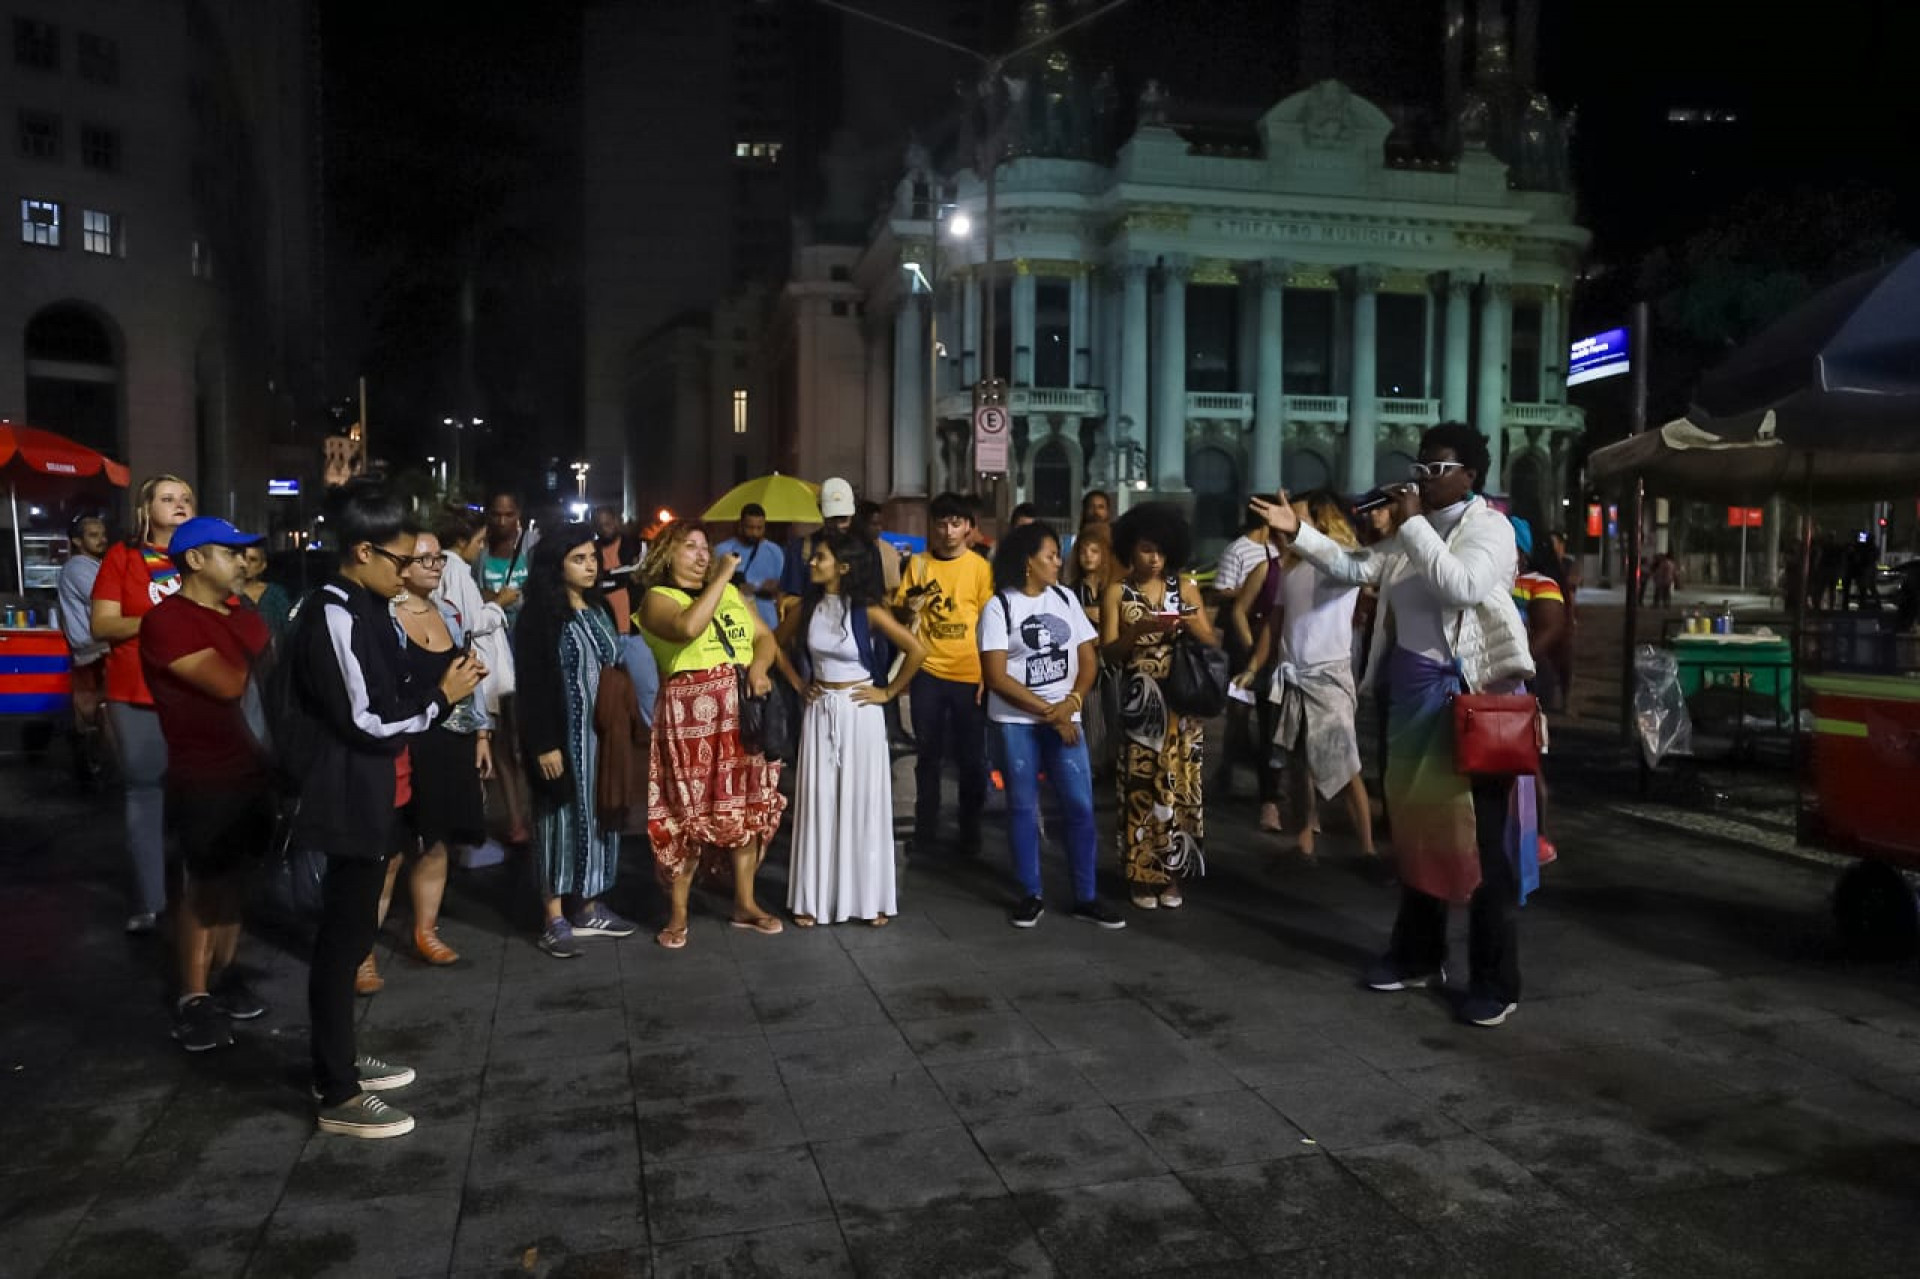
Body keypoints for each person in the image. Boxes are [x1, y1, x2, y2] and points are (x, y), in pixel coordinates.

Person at [1251, 422, 1538, 1028]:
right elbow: (1357, 566)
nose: (1424, 477)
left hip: (1468, 705)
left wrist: (1409, 524)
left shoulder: (1490, 529)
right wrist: (1297, 531)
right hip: (1410, 702)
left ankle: (1495, 979)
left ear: (1471, 475)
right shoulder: (1416, 533)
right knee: (1417, 834)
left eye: (1438, 468)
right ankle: (1417, 955)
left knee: (1482, 845)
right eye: (1421, 466)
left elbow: (1461, 587)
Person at [285, 479, 484, 1138]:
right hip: (350, 797)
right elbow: (364, 719)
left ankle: (339, 1058)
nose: (409, 571)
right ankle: (337, 1090)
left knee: (351, 940)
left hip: (383, 791)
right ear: (363, 550)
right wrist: (444, 699)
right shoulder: (332, 612)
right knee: (341, 941)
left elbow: (393, 688)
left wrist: (444, 683)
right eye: (400, 559)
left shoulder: (372, 603)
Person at [140, 516, 273, 1051]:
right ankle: (192, 995)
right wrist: (268, 658)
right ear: (195, 560)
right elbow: (232, 682)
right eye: (231, 552)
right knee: (201, 885)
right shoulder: (168, 621)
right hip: (205, 775)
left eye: (244, 553)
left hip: (255, 771)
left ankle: (224, 972)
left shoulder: (242, 613)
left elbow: (264, 670)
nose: (243, 561)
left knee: (235, 880)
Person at [638, 521, 787, 949]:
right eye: (691, 548)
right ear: (667, 555)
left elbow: (765, 638)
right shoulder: (657, 599)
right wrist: (722, 577)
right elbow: (686, 628)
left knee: (745, 807)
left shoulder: (735, 597)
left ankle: (745, 901)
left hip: (741, 715)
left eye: (706, 548)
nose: (703, 555)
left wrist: (759, 668)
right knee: (687, 813)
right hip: (690, 721)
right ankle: (679, 911)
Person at [359, 529, 494, 981]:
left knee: (436, 843)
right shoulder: (383, 619)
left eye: (439, 558)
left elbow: (466, 677)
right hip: (403, 741)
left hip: (449, 742)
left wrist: (481, 736)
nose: (435, 566)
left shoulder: (451, 614)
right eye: (423, 559)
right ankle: (360, 952)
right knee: (390, 853)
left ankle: (426, 930)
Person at [981, 522, 1124, 930]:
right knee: (1023, 806)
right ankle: (1030, 892)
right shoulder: (999, 607)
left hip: (1065, 716)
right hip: (1016, 723)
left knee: (1079, 806)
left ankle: (1086, 895)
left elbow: (1089, 659)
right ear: (1029, 562)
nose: (1059, 562)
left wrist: (1073, 703)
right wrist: (1052, 713)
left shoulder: (1064, 599)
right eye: (1050, 555)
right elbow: (996, 677)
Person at [778, 532, 926, 927]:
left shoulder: (868, 610)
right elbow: (774, 645)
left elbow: (917, 650)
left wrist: (888, 692)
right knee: (819, 802)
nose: (811, 563)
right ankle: (813, 898)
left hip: (861, 711)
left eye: (820, 558)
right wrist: (797, 683)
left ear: (843, 567)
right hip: (819, 710)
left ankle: (870, 899)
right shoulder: (806, 607)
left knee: (864, 802)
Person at [518, 526, 636, 958]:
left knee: (598, 815)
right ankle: (553, 917)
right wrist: (543, 743)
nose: (590, 567)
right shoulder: (539, 616)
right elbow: (531, 684)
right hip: (562, 737)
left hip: (601, 737)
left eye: (592, 558)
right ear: (556, 565)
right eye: (579, 559)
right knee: (559, 819)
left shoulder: (599, 606)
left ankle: (587, 906)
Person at [1239, 492, 1374, 861]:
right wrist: (1254, 666)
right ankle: (1304, 839)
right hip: (1294, 676)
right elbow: (1276, 622)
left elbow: (1352, 568)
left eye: (1295, 517)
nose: (1284, 525)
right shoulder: (1290, 569)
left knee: (1343, 765)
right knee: (1300, 766)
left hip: (1327, 676)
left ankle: (1367, 850)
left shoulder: (1339, 563)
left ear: (1322, 521)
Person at [92, 474, 196, 933]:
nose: (180, 505)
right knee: (145, 793)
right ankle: (151, 901)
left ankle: (200, 900)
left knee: (201, 796)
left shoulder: (202, 557)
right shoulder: (123, 557)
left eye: (187, 499)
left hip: (196, 694)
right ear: (145, 509)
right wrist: (160, 618)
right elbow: (103, 625)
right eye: (169, 498)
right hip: (135, 694)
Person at [1101, 504, 1217, 909]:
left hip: (1181, 706)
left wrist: (1186, 621)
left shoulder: (1183, 587)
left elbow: (1210, 640)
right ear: (1130, 549)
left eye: (1161, 552)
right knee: (1140, 788)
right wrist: (1137, 631)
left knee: (1180, 790)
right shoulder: (1117, 592)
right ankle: (1140, 874)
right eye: (1147, 550)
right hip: (1139, 706)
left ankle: (1172, 874)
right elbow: (1110, 654)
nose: (1154, 559)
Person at [895, 492, 996, 858]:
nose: (949, 531)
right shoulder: (918, 565)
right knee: (928, 756)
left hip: (969, 672)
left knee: (971, 759)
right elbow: (904, 618)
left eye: (956, 523)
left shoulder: (980, 568)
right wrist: (910, 608)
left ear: (969, 528)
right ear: (933, 527)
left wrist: (989, 673)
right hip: (928, 672)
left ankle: (970, 834)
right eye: (942, 523)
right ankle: (925, 832)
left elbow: (990, 623)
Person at [478, 491, 535, 845]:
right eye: (495, 514)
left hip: (526, 652)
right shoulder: (478, 552)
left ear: (519, 515)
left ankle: (534, 815)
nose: (501, 521)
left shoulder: (531, 546)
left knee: (527, 740)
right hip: (494, 655)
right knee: (500, 739)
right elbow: (468, 598)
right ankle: (515, 819)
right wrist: (494, 600)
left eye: (508, 514)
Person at [1210, 511, 1276, 797]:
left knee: (1268, 712)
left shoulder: (1275, 550)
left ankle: (1266, 782)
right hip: (1241, 638)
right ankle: (1226, 771)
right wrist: (1249, 591)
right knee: (1239, 707)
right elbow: (1219, 591)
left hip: (1270, 633)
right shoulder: (1237, 549)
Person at [852, 499, 912, 749]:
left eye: (880, 523)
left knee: (884, 677)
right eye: (872, 523)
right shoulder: (857, 551)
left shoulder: (882, 550)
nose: (877, 528)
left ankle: (892, 729)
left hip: (882, 621)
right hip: (864, 621)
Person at [58, 513, 110, 785]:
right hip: (92, 650)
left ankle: (93, 764)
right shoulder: (79, 567)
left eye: (102, 533)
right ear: (77, 541)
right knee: (93, 712)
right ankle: (91, 766)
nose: (102, 539)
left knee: (97, 711)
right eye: (93, 535)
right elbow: (105, 600)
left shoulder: (94, 565)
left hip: (97, 648)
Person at [779, 477, 856, 604]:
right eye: (832, 519)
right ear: (820, 510)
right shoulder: (800, 549)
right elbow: (787, 600)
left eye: (842, 519)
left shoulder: (866, 550)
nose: (837, 526)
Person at [714, 502, 785, 631]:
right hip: (733, 622)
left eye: (759, 528)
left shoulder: (775, 552)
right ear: (740, 525)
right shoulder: (722, 550)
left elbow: (781, 589)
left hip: (768, 623)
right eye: (750, 527)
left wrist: (756, 588)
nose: (755, 533)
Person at [592, 505, 642, 636]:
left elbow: (639, 575)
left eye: (607, 524)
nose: (604, 529)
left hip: (633, 625)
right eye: (599, 525)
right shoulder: (592, 550)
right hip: (606, 624)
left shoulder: (633, 545)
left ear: (615, 521)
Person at [235, 544, 295, 646]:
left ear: (263, 566)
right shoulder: (229, 593)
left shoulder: (275, 593)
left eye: (253, 560)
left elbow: (289, 628)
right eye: (244, 558)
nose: (246, 564)